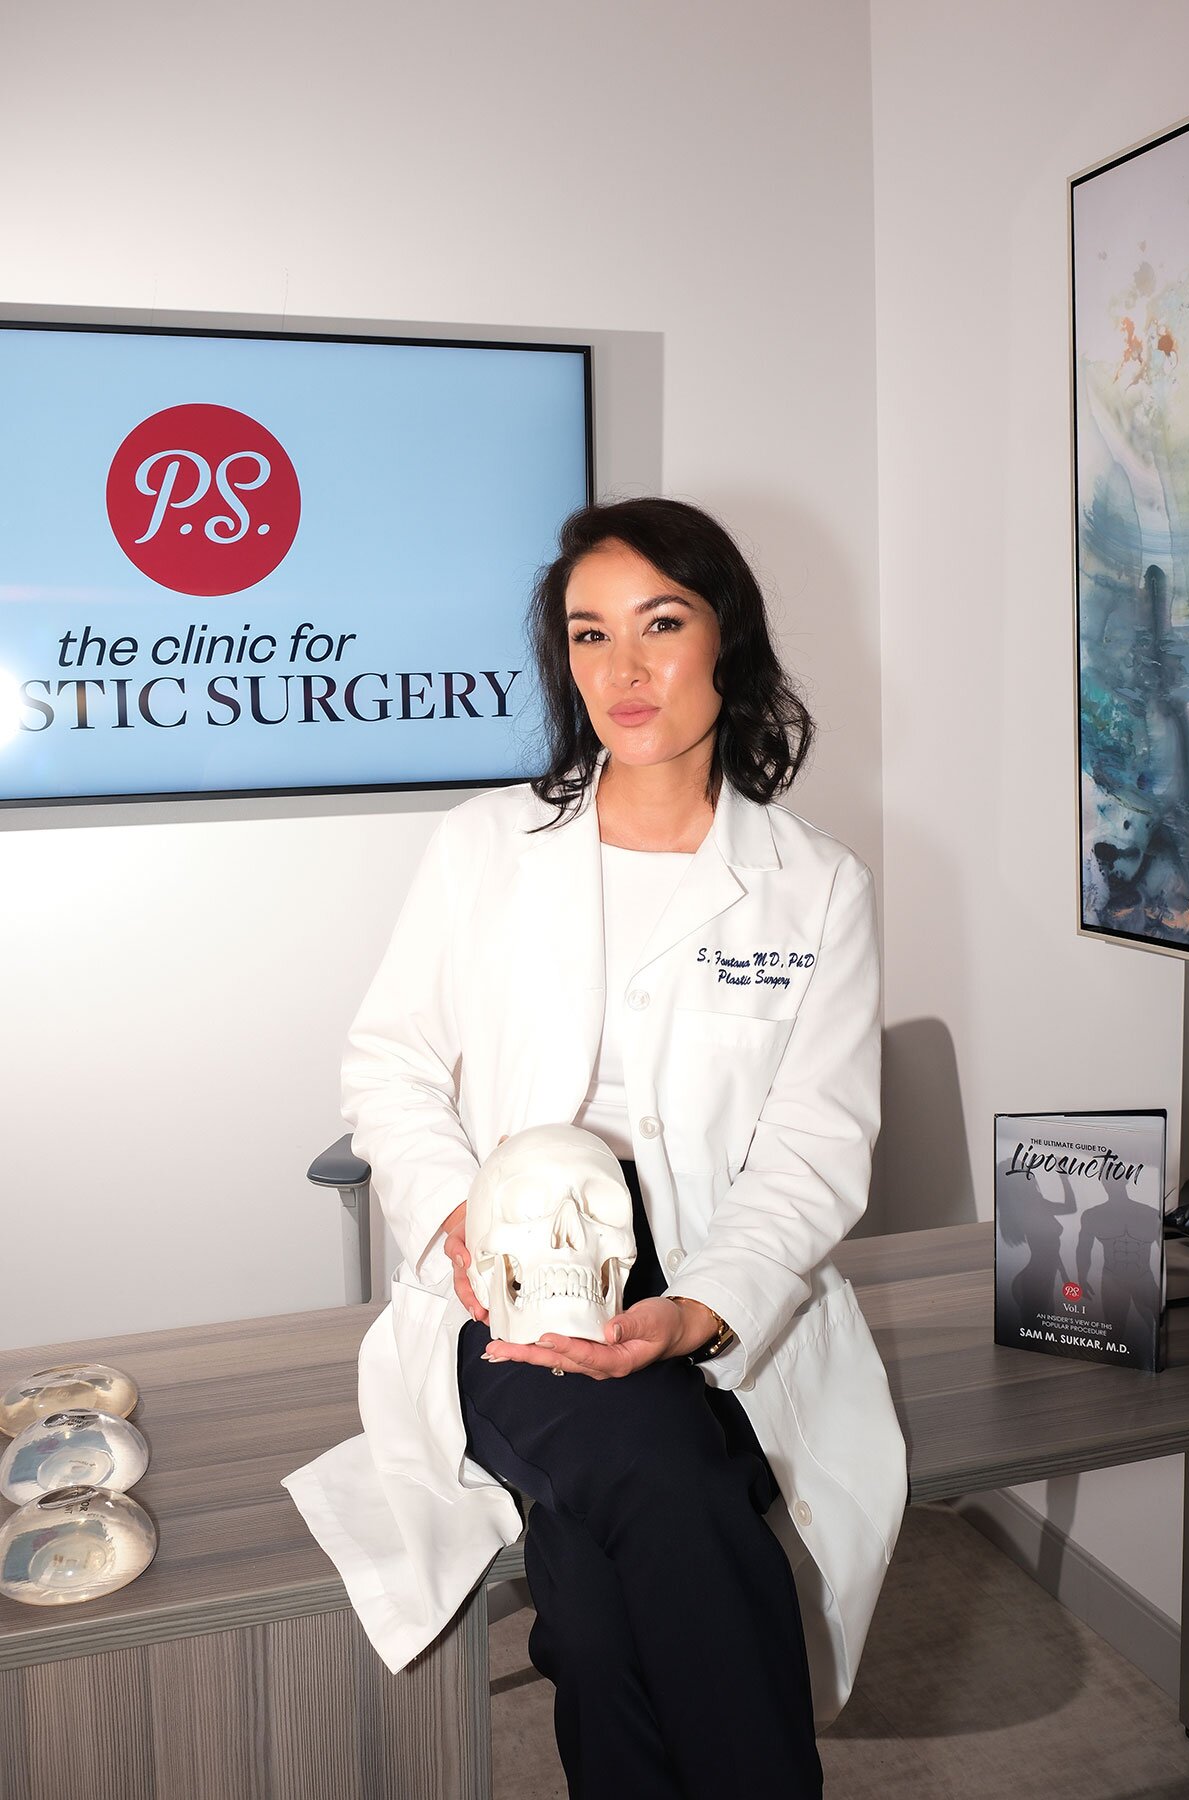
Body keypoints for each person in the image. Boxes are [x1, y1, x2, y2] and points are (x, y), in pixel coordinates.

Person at [286, 495, 908, 1800]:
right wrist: (463, 1221)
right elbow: (390, 1068)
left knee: (607, 1583)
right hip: (508, 1293)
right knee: (663, 1482)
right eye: (587, 635)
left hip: (711, 1289)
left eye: (659, 624)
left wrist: (693, 1315)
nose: (621, 671)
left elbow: (813, 1148)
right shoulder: (485, 850)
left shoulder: (815, 885)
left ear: (725, 638)